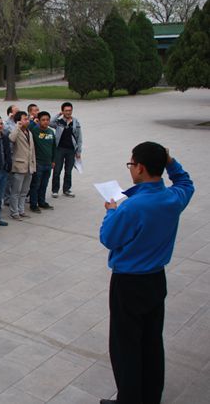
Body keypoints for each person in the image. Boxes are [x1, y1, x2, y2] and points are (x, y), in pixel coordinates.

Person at [99, 143, 194, 404]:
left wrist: (110, 212)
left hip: (129, 283)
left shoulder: (132, 207)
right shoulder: (173, 198)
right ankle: (151, 396)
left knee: (125, 346)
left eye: (131, 164)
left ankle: (129, 399)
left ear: (140, 167)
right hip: (155, 279)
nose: (130, 169)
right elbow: (185, 182)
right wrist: (170, 161)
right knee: (151, 342)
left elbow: (109, 238)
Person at [8, 111, 36, 220]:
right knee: (16, 191)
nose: (27, 121)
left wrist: (33, 165)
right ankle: (14, 212)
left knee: (24, 191)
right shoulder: (16, 131)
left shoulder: (29, 132)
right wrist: (17, 127)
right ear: (19, 121)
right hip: (19, 166)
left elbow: (32, 150)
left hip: (29, 166)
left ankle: (21, 210)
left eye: (27, 119)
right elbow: (11, 139)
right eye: (25, 119)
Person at [51, 102, 82, 198]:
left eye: (70, 110)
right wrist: (58, 114)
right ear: (63, 111)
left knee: (68, 171)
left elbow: (79, 137)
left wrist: (78, 151)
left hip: (71, 150)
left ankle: (67, 189)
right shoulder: (59, 122)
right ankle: (55, 190)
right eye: (66, 110)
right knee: (57, 170)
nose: (68, 112)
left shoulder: (75, 122)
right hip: (59, 149)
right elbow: (50, 122)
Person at [28, 111, 56, 213]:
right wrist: (32, 120)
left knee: (44, 184)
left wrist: (53, 160)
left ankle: (42, 202)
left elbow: (54, 147)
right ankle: (33, 204)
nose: (45, 122)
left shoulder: (51, 132)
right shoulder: (35, 131)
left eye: (47, 120)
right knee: (36, 185)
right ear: (39, 121)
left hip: (48, 163)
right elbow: (28, 128)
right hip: (38, 163)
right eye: (43, 120)